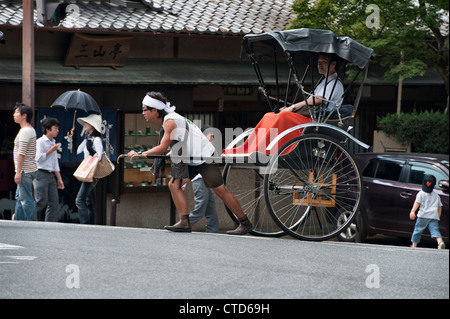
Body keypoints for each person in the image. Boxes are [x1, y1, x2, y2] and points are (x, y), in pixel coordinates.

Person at [127, 91, 252, 235]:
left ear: (154, 110)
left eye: (144, 109)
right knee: (174, 184)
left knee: (220, 190)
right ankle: (184, 222)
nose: (142, 112)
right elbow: (182, 140)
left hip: (205, 156)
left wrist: (141, 154)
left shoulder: (170, 122)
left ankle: (244, 222)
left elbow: (162, 147)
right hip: (192, 158)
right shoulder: (169, 120)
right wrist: (171, 153)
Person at [224, 53, 344, 155]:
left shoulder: (335, 84)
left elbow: (317, 100)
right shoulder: (324, 82)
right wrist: (291, 108)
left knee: (283, 116)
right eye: (318, 62)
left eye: (324, 62)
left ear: (333, 64)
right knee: (269, 115)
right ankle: (249, 148)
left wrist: (292, 107)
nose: (320, 64)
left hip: (318, 121)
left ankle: (262, 150)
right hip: (310, 117)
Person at [188, 126, 219, 233]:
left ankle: (212, 230)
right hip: (199, 179)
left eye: (213, 136)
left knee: (211, 208)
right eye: (210, 135)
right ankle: (185, 224)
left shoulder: (209, 147)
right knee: (200, 207)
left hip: (206, 179)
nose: (212, 138)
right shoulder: (197, 146)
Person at [73, 114, 103, 224]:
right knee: (89, 201)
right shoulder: (88, 139)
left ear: (93, 125)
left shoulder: (97, 139)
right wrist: (74, 136)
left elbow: (99, 156)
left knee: (79, 200)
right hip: (88, 172)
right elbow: (77, 151)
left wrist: (91, 149)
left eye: (87, 123)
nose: (85, 124)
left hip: (92, 173)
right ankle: (91, 225)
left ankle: (84, 224)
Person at [34, 117, 65, 222]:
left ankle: (50, 225)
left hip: (51, 175)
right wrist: (51, 150)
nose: (57, 130)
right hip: (40, 173)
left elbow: (55, 163)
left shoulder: (54, 142)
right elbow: (38, 159)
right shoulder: (40, 142)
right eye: (55, 128)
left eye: (57, 128)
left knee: (54, 203)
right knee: (40, 202)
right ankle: (21, 216)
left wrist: (59, 179)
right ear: (48, 129)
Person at [13, 103, 38, 221]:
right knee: (19, 197)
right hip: (28, 169)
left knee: (26, 199)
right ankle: (18, 222)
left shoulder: (25, 131)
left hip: (25, 170)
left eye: (16, 112)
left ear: (24, 115)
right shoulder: (29, 130)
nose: (14, 115)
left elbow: (21, 153)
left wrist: (18, 172)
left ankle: (33, 224)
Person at [409, 174, 445, 249]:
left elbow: (417, 203)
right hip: (433, 216)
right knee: (435, 230)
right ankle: (440, 241)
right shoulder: (436, 195)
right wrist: (438, 216)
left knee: (418, 230)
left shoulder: (420, 194)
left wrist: (413, 211)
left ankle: (414, 245)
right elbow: (439, 207)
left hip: (423, 216)